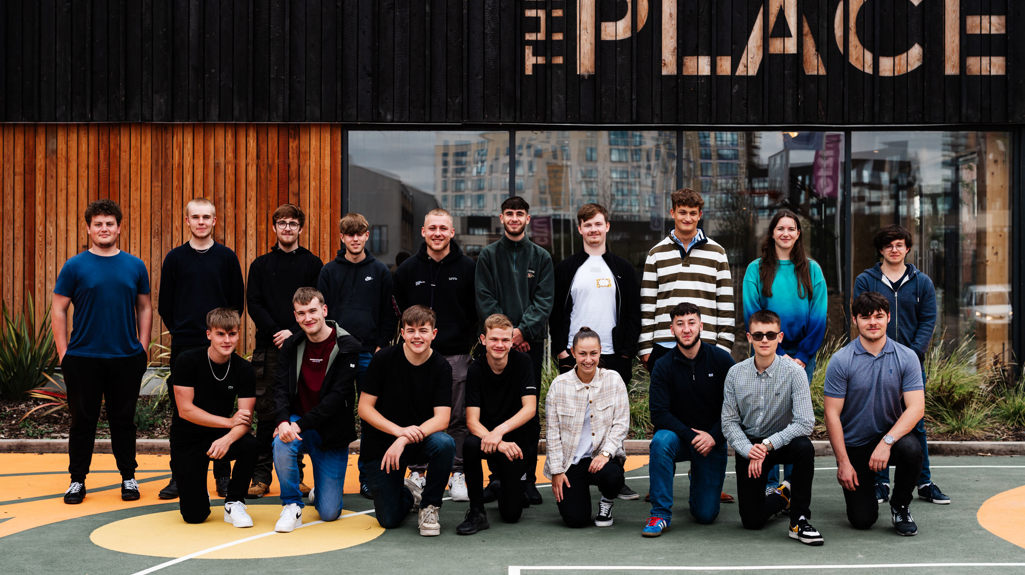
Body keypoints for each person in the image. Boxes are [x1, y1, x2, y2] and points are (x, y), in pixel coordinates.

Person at [52, 199, 151, 504]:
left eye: (110, 223)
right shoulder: (75, 266)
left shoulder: (134, 265)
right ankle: (77, 480)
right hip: (83, 358)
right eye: (98, 224)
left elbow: (145, 307)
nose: (104, 228)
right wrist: (63, 353)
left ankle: (128, 478)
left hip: (125, 357)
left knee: (124, 421)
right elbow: (59, 309)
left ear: (119, 228)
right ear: (88, 228)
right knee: (83, 421)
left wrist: (143, 347)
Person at [550, 202, 641, 501]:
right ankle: (573, 470)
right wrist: (562, 352)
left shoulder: (622, 269)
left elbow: (632, 313)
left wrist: (626, 353)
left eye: (598, 224)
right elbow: (556, 313)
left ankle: (616, 475)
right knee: (578, 418)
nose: (593, 230)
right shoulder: (567, 268)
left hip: (614, 355)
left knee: (614, 419)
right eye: (587, 225)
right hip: (576, 356)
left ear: (607, 227)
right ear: (580, 229)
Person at [854, 224, 948, 505]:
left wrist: (912, 354)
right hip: (874, 361)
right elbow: (861, 315)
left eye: (899, 245)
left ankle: (924, 481)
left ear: (907, 249)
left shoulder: (922, 282)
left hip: (910, 363)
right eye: (888, 245)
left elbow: (928, 320)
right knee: (880, 419)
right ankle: (881, 482)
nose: (894, 250)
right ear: (881, 250)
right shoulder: (866, 279)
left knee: (915, 422)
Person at [158, 197, 245, 500]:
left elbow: (236, 302)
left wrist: (221, 336)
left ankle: (222, 475)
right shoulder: (175, 259)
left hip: (220, 348)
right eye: (195, 217)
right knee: (183, 415)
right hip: (186, 347)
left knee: (221, 410)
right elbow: (165, 305)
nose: (201, 222)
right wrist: (184, 332)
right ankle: (179, 476)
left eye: (207, 217)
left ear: (214, 221)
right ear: (187, 221)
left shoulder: (226, 258)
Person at [824, 292, 925, 536]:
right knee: (862, 520)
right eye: (866, 317)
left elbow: (916, 408)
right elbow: (832, 415)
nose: (873, 322)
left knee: (912, 449)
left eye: (879, 316)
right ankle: (865, 489)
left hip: (890, 439)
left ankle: (900, 506)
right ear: (855, 320)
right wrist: (843, 463)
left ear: (888, 318)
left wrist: (887, 441)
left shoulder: (906, 357)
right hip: (856, 444)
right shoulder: (841, 361)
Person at [393, 208, 477, 502]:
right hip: (417, 358)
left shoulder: (468, 268)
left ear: (452, 233)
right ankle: (417, 471)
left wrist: (464, 340)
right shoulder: (407, 271)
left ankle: (457, 473)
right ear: (423, 232)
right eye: (432, 228)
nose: (438, 233)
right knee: (418, 415)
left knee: (456, 418)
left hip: (455, 355)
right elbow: (400, 309)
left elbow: (474, 309)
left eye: (444, 228)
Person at [475, 196, 554, 506]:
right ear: (501, 217)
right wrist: (505, 336)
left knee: (528, 416)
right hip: (496, 346)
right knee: (495, 409)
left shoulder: (542, 257)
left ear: (527, 218)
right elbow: (484, 298)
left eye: (520, 213)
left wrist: (521, 333)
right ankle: (496, 477)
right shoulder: (488, 256)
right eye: (509, 213)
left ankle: (527, 479)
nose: (514, 218)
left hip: (528, 346)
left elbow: (544, 301)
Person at [742, 209, 827, 490]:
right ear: (772, 233)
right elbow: (752, 311)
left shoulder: (812, 269)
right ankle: (767, 482)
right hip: (766, 352)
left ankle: (791, 483)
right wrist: (775, 354)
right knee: (766, 416)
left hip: (803, 357)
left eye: (791, 229)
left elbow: (819, 316)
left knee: (795, 419)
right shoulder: (756, 269)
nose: (786, 233)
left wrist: (801, 356)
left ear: (798, 234)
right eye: (780, 228)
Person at [721, 310, 822, 545]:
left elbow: (805, 422)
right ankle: (782, 495)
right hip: (750, 445)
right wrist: (749, 449)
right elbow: (729, 422)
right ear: (749, 338)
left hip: (782, 442)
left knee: (804, 448)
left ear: (780, 337)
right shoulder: (735, 374)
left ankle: (799, 520)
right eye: (758, 335)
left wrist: (767, 445)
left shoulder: (795, 372)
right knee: (752, 521)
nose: (764, 340)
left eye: (770, 334)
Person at [245, 204, 323, 498]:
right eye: (282, 223)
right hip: (270, 347)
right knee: (266, 414)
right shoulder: (261, 265)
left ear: (301, 228)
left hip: (304, 346)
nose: (287, 228)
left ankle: (296, 475)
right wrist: (279, 332)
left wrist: (296, 331)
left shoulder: (313, 265)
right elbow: (254, 303)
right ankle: (261, 476)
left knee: (299, 410)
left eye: (292, 223)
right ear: (274, 228)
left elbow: (317, 304)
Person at [318, 212, 397, 498]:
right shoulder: (329, 271)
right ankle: (328, 477)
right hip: (337, 355)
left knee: (370, 418)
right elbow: (322, 314)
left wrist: (379, 346)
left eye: (359, 233)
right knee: (334, 413)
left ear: (366, 236)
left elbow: (389, 314)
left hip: (368, 355)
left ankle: (368, 476)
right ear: (342, 237)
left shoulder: (379, 271)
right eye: (348, 234)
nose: (354, 238)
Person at [358, 305, 456, 536]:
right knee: (389, 519)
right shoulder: (383, 359)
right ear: (402, 333)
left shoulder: (441, 366)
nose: (417, 336)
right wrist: (398, 432)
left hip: (418, 442)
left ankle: (429, 506)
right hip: (383, 446)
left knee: (445, 444)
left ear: (434, 333)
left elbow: (442, 419)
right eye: (411, 330)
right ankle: (408, 493)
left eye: (423, 330)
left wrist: (404, 439)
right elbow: (364, 408)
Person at [271, 287, 362, 533]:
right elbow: (279, 387)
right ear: (296, 316)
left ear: (324, 310)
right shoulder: (292, 344)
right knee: (281, 442)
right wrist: (282, 422)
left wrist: (297, 425)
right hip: (298, 420)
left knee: (330, 512)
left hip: (330, 429)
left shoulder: (347, 345)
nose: (307, 318)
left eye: (312, 311)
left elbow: (336, 398)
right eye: (301, 313)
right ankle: (291, 504)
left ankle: (320, 491)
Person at [641, 303, 735, 537]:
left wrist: (713, 437)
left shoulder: (722, 361)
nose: (686, 329)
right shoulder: (663, 365)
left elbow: (735, 409)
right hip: (680, 439)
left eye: (691, 323)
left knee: (705, 515)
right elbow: (659, 414)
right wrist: (693, 436)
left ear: (701, 326)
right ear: (672, 329)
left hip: (712, 441)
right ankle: (660, 514)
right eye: (680, 324)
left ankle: (699, 476)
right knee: (661, 441)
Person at [170, 308, 259, 527]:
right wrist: (228, 423)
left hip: (220, 436)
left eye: (232, 334)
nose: (227, 340)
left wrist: (227, 438)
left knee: (251, 445)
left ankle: (234, 502)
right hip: (187, 438)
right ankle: (197, 494)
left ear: (239, 335)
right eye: (220, 334)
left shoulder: (244, 369)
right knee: (194, 516)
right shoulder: (187, 360)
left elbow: (245, 420)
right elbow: (185, 410)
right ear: (209, 334)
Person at [456, 314, 538, 535]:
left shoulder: (523, 363)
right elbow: (472, 421)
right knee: (470, 445)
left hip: (514, 441)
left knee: (511, 515)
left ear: (512, 341)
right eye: (494, 339)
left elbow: (530, 408)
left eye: (504, 340)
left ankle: (505, 485)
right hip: (487, 440)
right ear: (483, 339)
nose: (499, 345)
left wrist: (500, 434)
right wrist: (497, 442)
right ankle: (476, 511)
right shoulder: (476, 368)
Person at [639, 188, 734, 370]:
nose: (687, 218)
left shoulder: (718, 253)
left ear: (700, 215)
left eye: (693, 213)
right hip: (664, 345)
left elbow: (725, 303)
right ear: (672, 213)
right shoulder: (656, 254)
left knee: (704, 399)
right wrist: (645, 347)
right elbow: (648, 305)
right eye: (682, 212)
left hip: (706, 344)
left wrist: (724, 347)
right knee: (665, 399)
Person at [544, 327, 630, 528]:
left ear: (600, 351)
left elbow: (621, 423)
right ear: (573, 353)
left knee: (612, 477)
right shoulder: (559, 385)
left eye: (593, 353)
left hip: (601, 458)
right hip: (571, 462)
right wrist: (557, 471)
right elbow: (552, 433)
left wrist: (606, 454)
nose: (588, 359)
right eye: (582, 354)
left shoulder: (613, 380)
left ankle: (606, 502)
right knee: (576, 520)